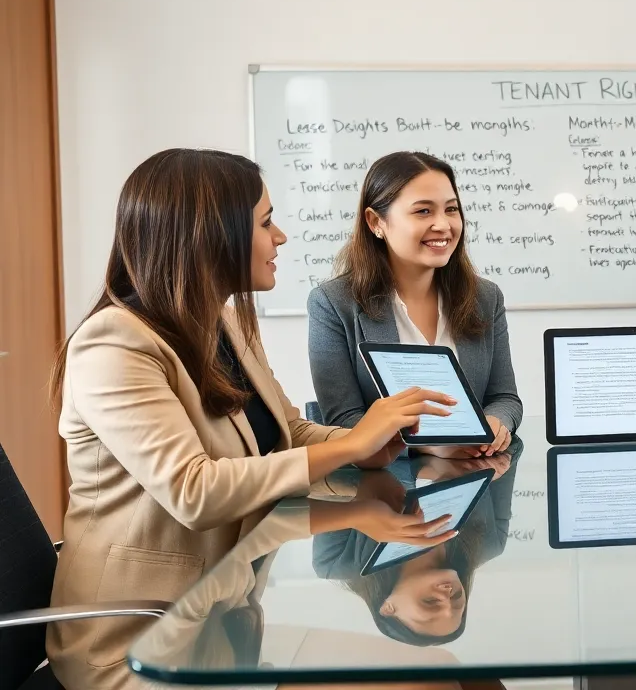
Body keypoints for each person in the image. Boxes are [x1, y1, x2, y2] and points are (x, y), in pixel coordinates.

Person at [46, 149, 453, 690]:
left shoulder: (221, 321)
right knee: (426, 683)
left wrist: (366, 442)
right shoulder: (114, 345)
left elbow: (291, 433)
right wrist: (350, 449)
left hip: (224, 621)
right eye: (265, 223)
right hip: (140, 648)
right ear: (208, 236)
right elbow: (195, 492)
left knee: (443, 671)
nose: (280, 236)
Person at [309, 151, 522, 458]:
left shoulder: (486, 297)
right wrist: (435, 446)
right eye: (423, 211)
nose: (443, 225)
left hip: (476, 482)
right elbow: (343, 421)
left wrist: (494, 423)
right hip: (385, 493)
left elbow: (504, 397)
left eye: (451, 210)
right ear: (375, 222)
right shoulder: (333, 303)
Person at [314, 449, 519, 644]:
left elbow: (327, 469)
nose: (448, 598)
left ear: (388, 607)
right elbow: (512, 447)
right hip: (451, 422)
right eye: (457, 601)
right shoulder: (490, 544)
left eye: (430, 603)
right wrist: (491, 455)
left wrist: (426, 470)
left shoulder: (335, 562)